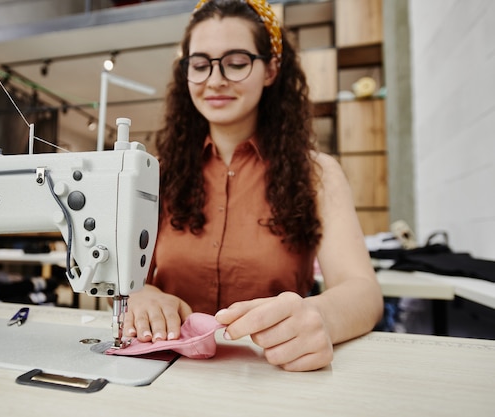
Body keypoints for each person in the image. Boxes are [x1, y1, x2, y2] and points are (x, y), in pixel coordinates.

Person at [123, 0, 383, 371]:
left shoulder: (317, 174)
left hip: (274, 375)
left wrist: (320, 316)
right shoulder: (154, 176)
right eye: (200, 65)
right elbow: (122, 281)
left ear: (271, 70)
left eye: (237, 62)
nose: (215, 79)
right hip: (164, 375)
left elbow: (364, 291)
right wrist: (139, 293)